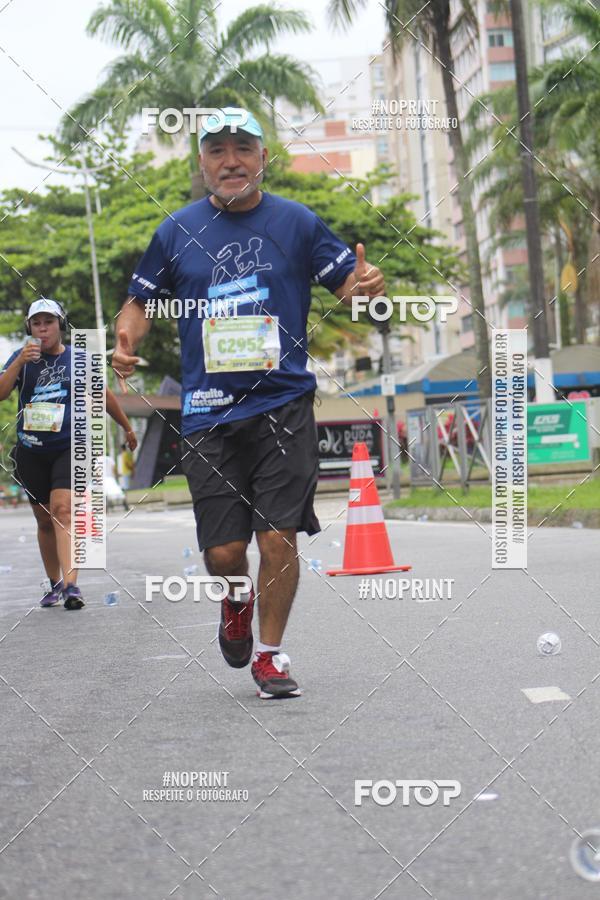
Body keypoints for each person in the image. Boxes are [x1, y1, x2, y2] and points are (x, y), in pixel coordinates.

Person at [112, 108, 385, 697]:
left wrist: (363, 287)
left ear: (263, 157)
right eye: (217, 150)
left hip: (283, 404)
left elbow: (349, 285)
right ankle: (236, 603)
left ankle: (270, 654)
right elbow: (137, 302)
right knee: (226, 550)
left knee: (275, 536)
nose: (230, 160)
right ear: (202, 162)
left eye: (242, 148)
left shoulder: (297, 222)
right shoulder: (175, 231)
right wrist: (125, 340)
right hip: (207, 411)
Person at [0, 298, 138, 609]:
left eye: (48, 322)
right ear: (30, 328)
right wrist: (20, 362)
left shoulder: (79, 359)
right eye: (37, 323)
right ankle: (55, 583)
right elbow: (1, 393)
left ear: (60, 325)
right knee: (45, 519)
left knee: (63, 511)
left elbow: (104, 396)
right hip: (31, 450)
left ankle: (72, 586)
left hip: (69, 447)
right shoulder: (21, 359)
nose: (43, 328)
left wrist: (127, 428)